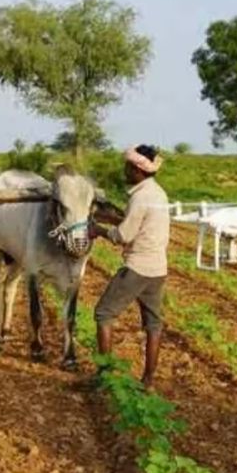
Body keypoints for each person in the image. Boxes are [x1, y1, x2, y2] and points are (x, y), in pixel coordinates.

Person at [90, 145, 171, 388]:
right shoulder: (158, 193)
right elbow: (142, 224)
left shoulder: (139, 196)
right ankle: (147, 380)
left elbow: (124, 235)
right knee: (153, 324)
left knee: (103, 313)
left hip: (137, 268)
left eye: (128, 166)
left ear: (138, 169)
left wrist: (98, 229)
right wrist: (112, 218)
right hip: (158, 269)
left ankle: (104, 376)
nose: (124, 169)